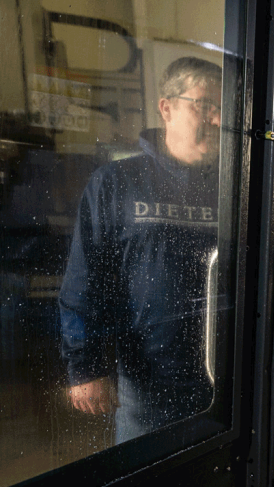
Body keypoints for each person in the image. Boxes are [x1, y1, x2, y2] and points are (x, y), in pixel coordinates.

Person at [59, 57, 222, 443]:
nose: (216, 120)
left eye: (222, 110)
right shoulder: (117, 182)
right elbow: (86, 277)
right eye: (204, 105)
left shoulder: (235, 188)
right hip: (149, 384)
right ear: (166, 107)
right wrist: (86, 368)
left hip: (225, 375)